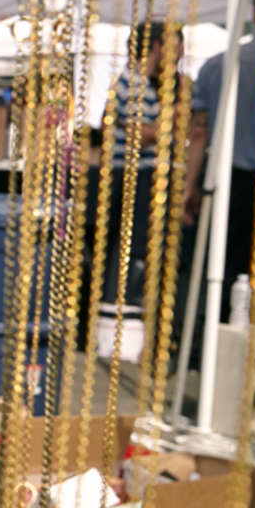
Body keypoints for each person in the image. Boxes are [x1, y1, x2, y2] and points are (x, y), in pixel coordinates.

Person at [185, 0, 255, 291]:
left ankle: (216, 317)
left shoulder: (219, 65)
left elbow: (199, 132)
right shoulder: (219, 64)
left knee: (221, 266)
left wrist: (189, 186)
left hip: (227, 179)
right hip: (242, 176)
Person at [105, 20, 189, 305]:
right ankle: (123, 305)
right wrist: (177, 112)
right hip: (134, 177)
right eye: (175, 48)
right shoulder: (134, 82)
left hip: (141, 176)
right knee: (134, 247)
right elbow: (140, 134)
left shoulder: (144, 83)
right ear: (156, 46)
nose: (178, 55)